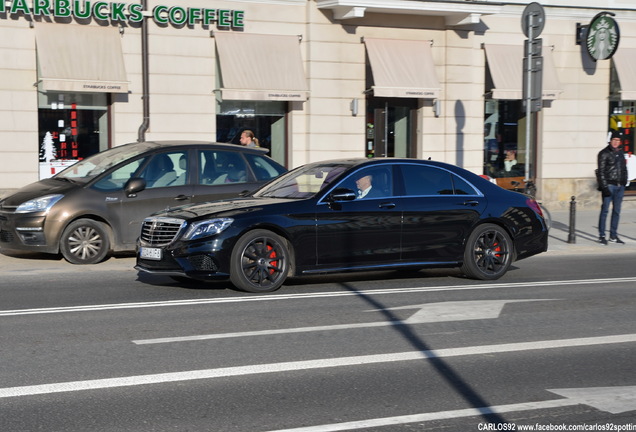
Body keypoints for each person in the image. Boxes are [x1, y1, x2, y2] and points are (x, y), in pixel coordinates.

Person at [597, 130, 628, 245]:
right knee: (605, 211)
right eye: (614, 140)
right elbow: (601, 172)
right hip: (609, 186)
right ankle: (602, 235)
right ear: (610, 140)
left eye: (618, 140)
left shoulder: (620, 153)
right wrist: (604, 187)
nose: (616, 142)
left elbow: (624, 169)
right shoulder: (603, 153)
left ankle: (613, 235)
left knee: (617, 211)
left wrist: (624, 181)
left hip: (620, 186)